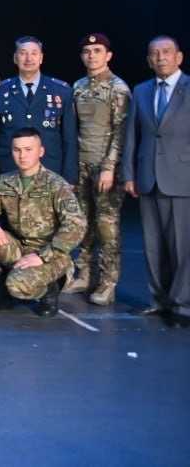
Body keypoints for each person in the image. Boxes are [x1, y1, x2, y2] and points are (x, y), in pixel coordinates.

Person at [0, 129, 84, 317]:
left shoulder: (56, 184)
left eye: (28, 149)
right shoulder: (4, 181)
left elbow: (76, 226)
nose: (22, 155)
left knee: (17, 285)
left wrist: (43, 256)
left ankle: (50, 289)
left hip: (50, 253)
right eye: (17, 150)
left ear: (41, 151)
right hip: (19, 246)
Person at [121, 35, 190, 327]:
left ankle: (182, 305)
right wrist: (128, 174)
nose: (161, 57)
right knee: (153, 246)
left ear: (179, 57)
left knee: (182, 248)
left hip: (182, 178)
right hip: (148, 177)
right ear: (149, 60)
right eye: (155, 53)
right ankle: (159, 300)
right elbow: (131, 136)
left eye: (166, 52)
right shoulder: (141, 90)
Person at [65, 33, 130, 305]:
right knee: (82, 223)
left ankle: (107, 282)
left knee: (106, 226)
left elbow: (121, 131)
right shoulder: (78, 87)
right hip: (81, 164)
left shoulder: (118, 88)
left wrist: (109, 167)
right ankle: (85, 274)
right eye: (87, 51)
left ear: (108, 55)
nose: (91, 55)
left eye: (98, 50)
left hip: (105, 168)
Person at [0, 36, 78, 183]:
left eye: (34, 53)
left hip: (50, 170)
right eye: (23, 53)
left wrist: (69, 178)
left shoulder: (61, 91)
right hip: (8, 169)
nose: (28, 58)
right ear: (15, 58)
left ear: (41, 58)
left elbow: (69, 139)